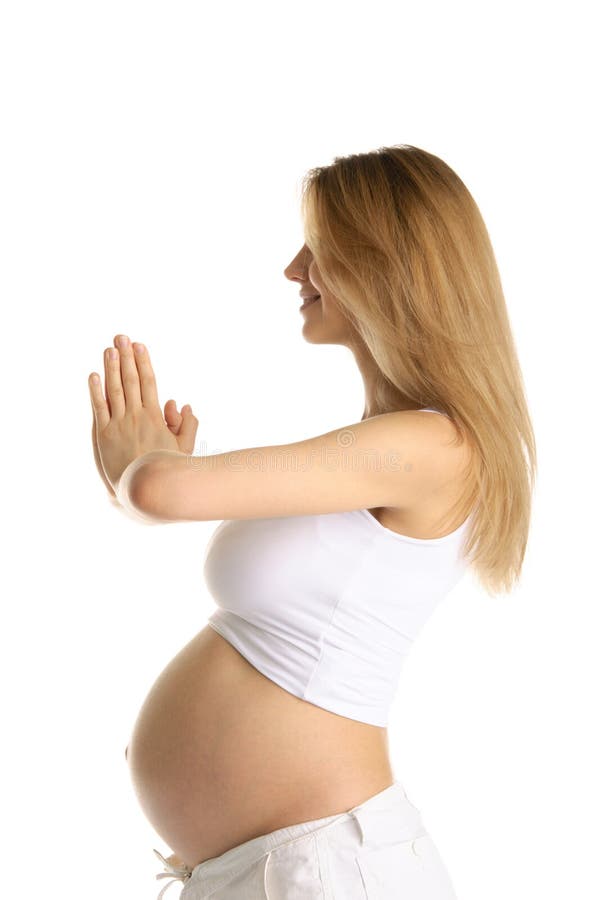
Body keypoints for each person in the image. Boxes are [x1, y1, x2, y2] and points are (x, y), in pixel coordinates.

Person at [88, 144, 536, 899]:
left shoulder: (434, 446)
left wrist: (144, 474)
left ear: (386, 266)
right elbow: (161, 491)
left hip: (327, 871)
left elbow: (162, 492)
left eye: (319, 250)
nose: (294, 270)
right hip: (277, 868)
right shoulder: (395, 442)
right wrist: (140, 479)